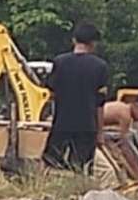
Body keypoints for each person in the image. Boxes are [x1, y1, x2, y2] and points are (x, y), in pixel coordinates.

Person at [42, 22, 111, 173]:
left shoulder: (59, 62)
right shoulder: (100, 66)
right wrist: (100, 132)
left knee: (51, 163)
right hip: (86, 126)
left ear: (74, 40)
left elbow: (50, 93)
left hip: (62, 123)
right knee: (81, 168)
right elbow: (100, 104)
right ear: (94, 43)